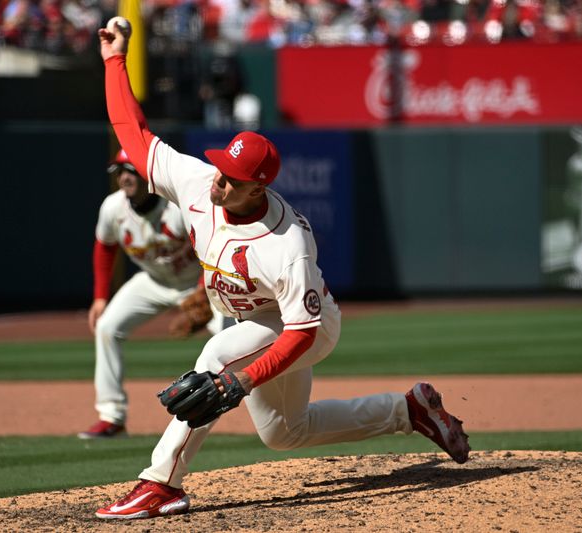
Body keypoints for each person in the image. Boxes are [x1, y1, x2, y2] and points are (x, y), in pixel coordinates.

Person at [94, 21, 471, 518]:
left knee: (217, 356)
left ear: (258, 188)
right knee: (284, 433)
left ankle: (161, 483)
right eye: (221, 170)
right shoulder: (199, 182)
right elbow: (135, 136)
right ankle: (409, 411)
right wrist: (114, 61)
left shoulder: (286, 243)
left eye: (232, 180)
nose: (218, 183)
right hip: (256, 321)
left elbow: (301, 332)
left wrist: (243, 380)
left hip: (305, 327)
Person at [78, 148, 225, 439]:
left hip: (198, 284)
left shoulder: (176, 206)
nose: (124, 178)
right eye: (120, 172)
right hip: (154, 282)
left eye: (131, 171)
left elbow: (212, 249)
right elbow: (104, 246)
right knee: (107, 327)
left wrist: (202, 290)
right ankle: (112, 417)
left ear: (148, 175)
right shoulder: (113, 208)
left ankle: (264, 409)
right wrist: (99, 297)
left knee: (229, 338)